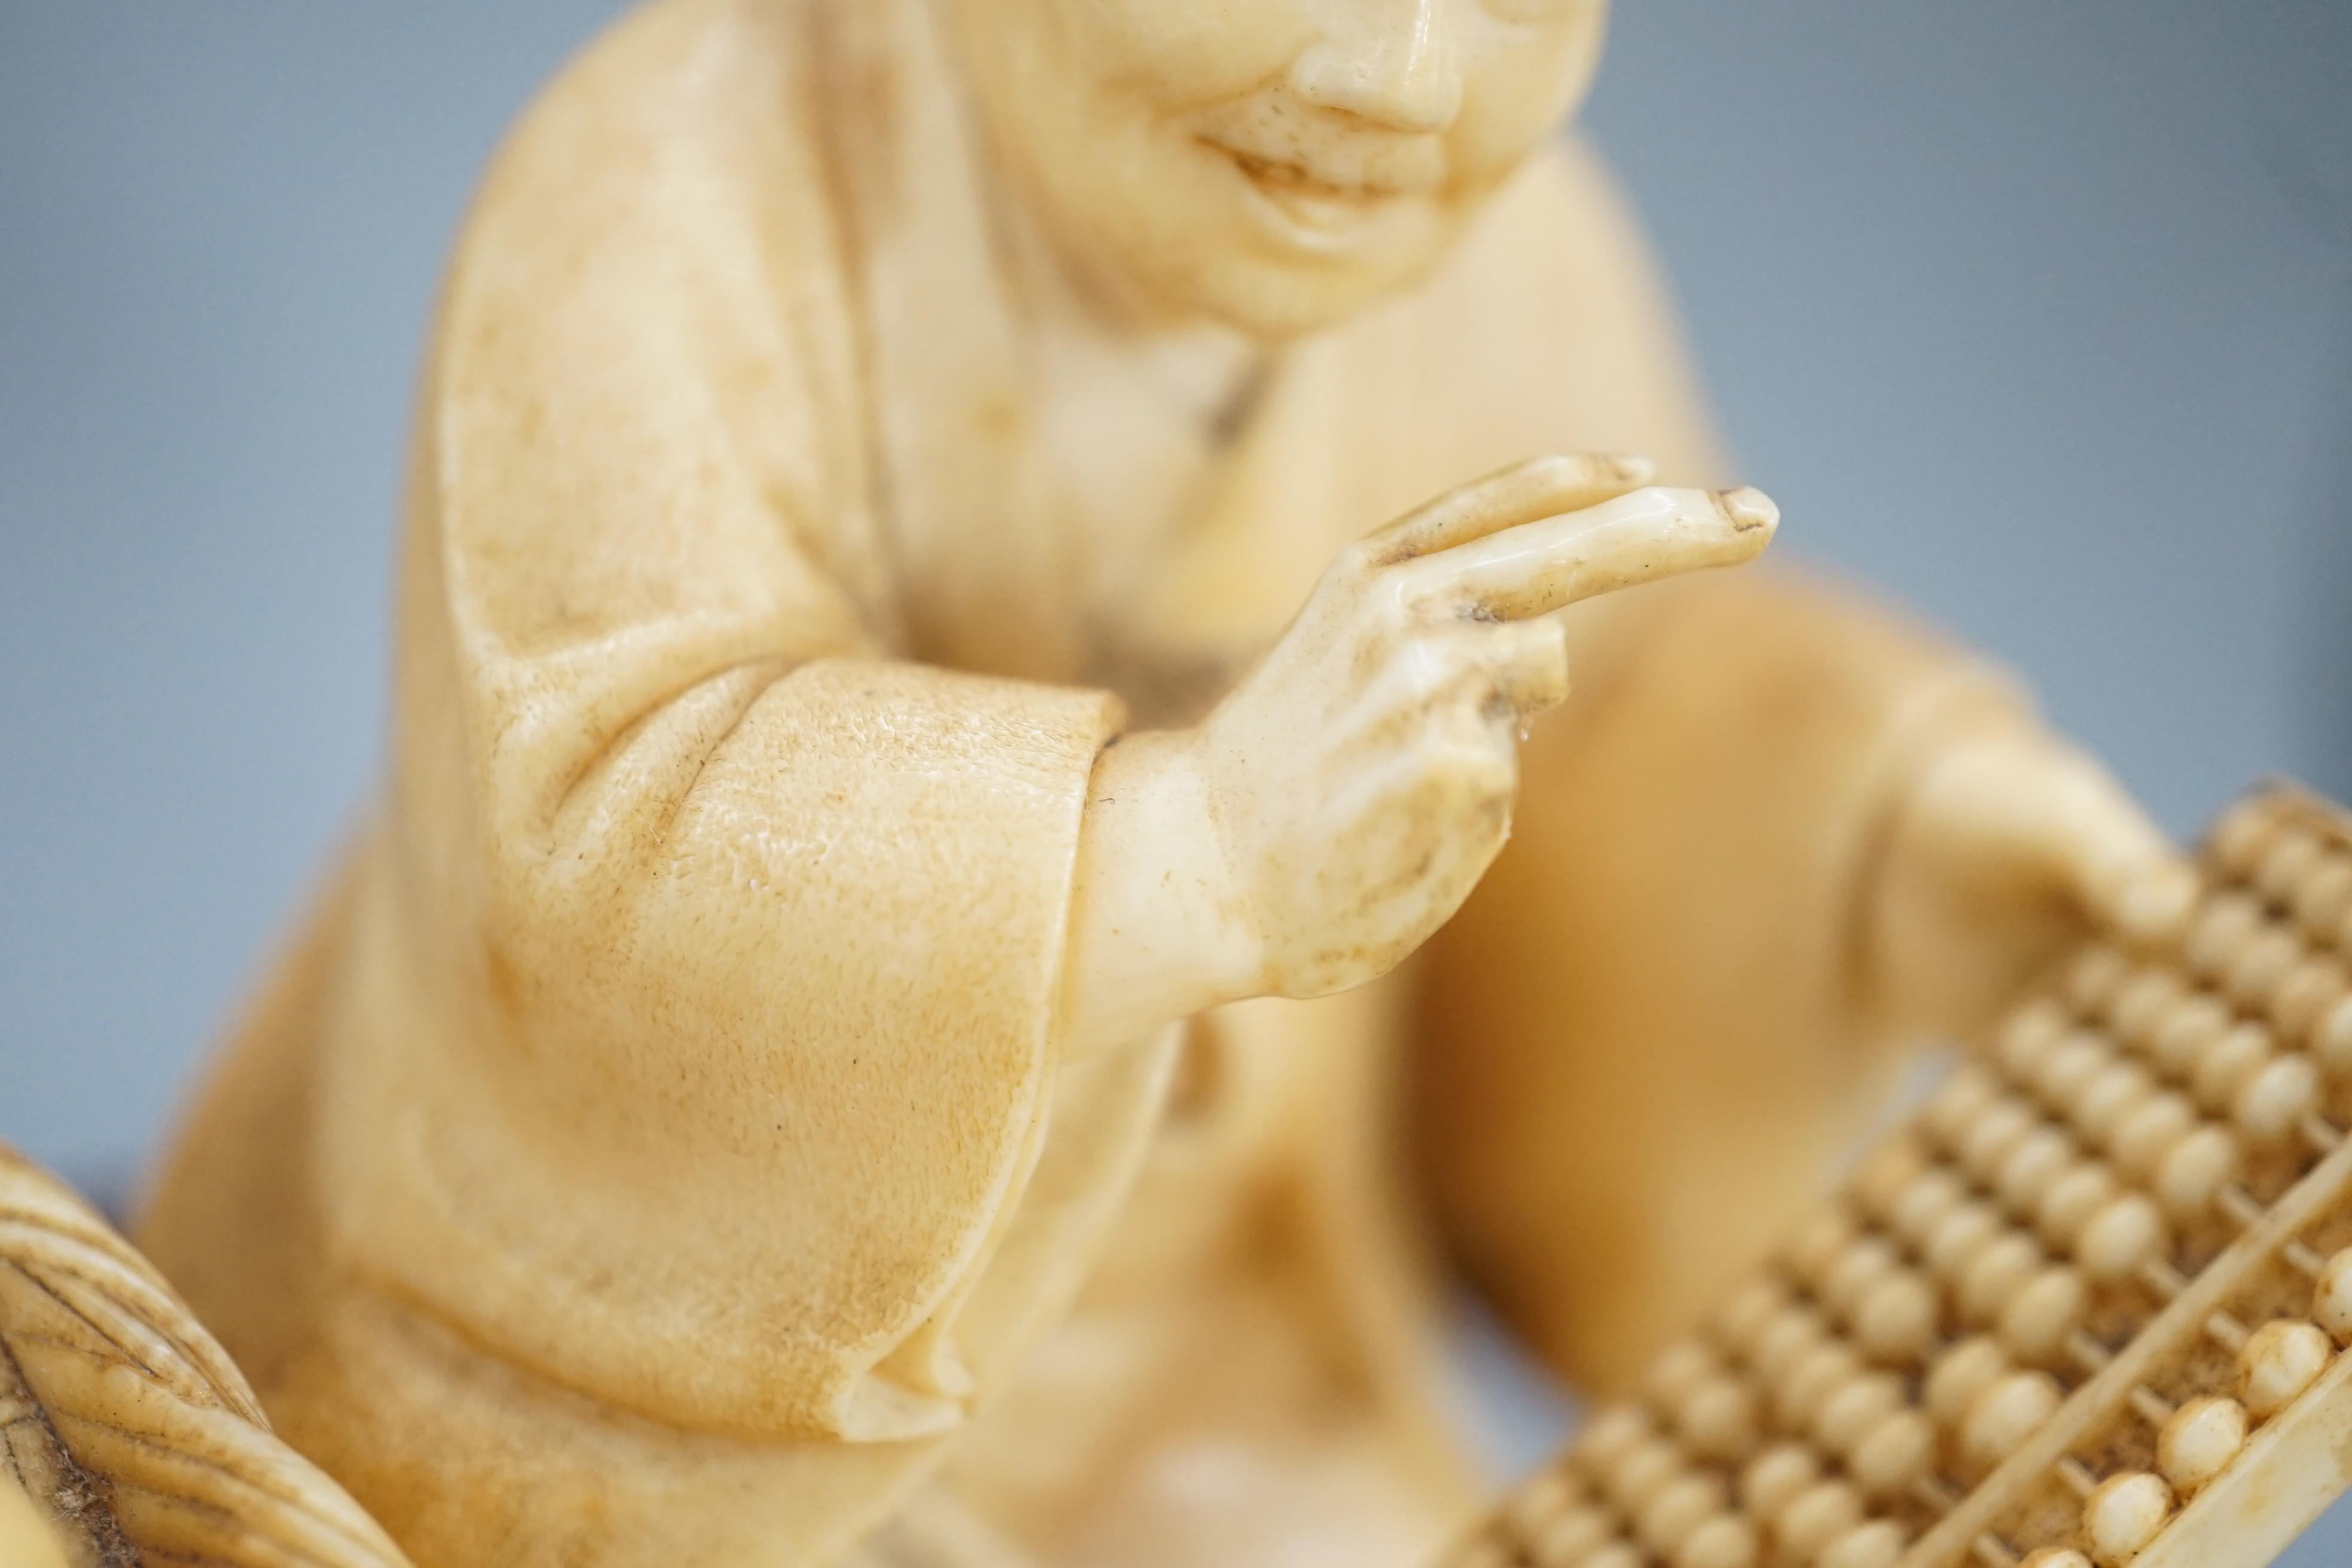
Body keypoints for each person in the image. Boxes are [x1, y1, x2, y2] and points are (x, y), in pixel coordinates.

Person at [136, 2, 2189, 1565]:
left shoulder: (1502, 249)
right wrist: (1184, 857)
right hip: (724, 1436)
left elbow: (1623, 713)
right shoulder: (675, 180)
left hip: (1246, 1343)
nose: (1397, 73)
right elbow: (593, 837)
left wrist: (1870, 843)